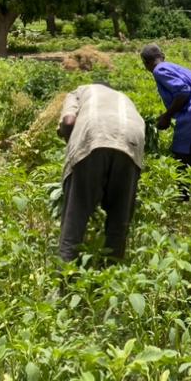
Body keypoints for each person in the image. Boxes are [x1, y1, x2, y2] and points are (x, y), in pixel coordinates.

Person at [56, 83, 145, 262]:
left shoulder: (79, 91)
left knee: (76, 216)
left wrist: (75, 152)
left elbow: (68, 122)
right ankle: (112, 273)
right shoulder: (123, 97)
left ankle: (64, 279)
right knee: (119, 219)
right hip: (131, 140)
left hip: (94, 136)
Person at [140, 43, 191, 173]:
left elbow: (183, 91)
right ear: (163, 56)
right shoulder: (172, 66)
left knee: (181, 150)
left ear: (146, 63)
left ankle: (184, 190)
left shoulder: (159, 70)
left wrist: (167, 116)